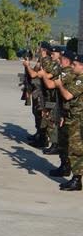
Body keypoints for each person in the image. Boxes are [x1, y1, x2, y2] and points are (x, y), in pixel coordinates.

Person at [42, 49, 76, 177]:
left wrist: (43, 74)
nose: (59, 59)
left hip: (68, 111)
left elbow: (51, 85)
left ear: (67, 60)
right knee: (63, 140)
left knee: (66, 141)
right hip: (63, 110)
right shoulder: (64, 71)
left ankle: (66, 167)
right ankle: (64, 166)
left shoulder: (67, 73)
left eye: (62, 58)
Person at [53, 54, 83, 191]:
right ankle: (75, 177)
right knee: (74, 148)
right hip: (74, 117)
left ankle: (77, 180)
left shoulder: (81, 80)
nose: (72, 66)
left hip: (79, 119)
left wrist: (59, 85)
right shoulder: (77, 79)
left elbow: (67, 95)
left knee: (76, 149)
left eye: (75, 64)